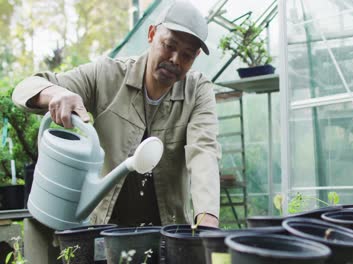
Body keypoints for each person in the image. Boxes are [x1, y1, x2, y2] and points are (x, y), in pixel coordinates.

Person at [13, 1, 220, 261]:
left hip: (166, 235)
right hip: (103, 232)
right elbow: (25, 88)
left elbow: (204, 150)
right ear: (152, 34)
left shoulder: (197, 91)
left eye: (187, 55)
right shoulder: (106, 75)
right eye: (169, 46)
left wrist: (207, 218)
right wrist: (56, 93)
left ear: (195, 59)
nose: (175, 60)